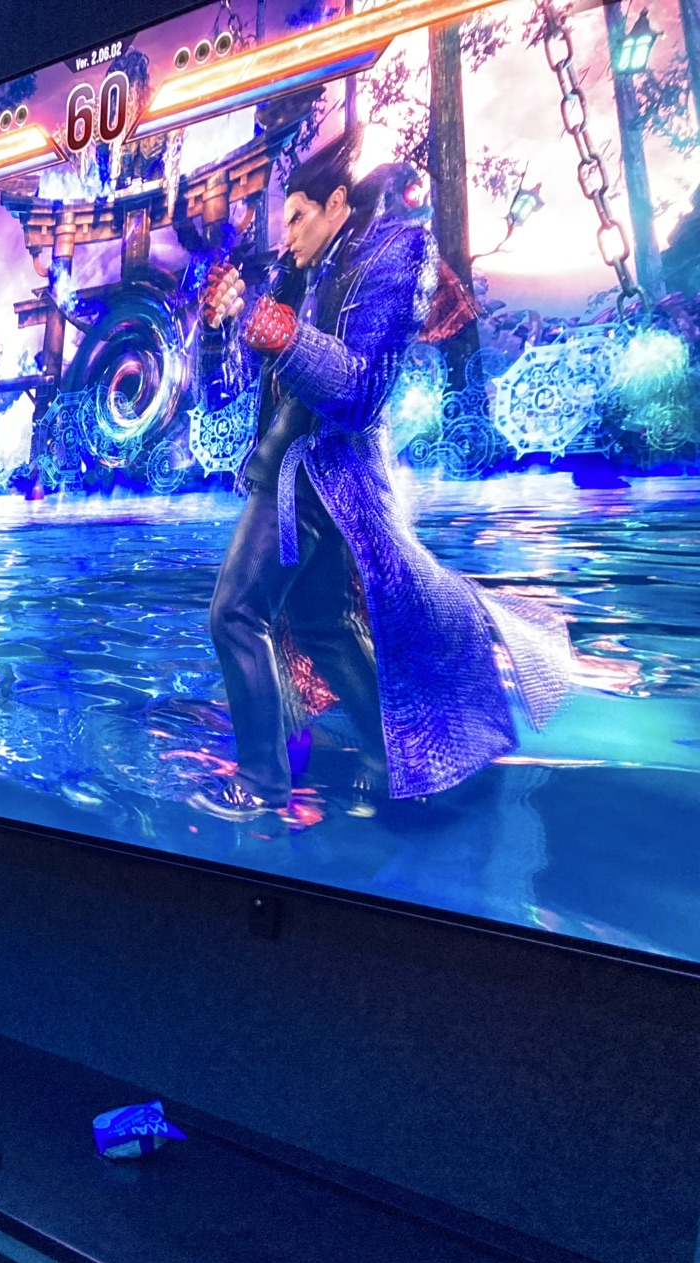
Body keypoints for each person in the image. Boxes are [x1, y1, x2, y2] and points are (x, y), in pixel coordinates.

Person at [191, 127, 571, 820]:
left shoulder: (395, 253)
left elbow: (359, 390)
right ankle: (393, 758)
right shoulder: (297, 275)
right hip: (289, 472)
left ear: (336, 203)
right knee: (324, 625)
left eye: (298, 218)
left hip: (324, 477)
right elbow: (230, 390)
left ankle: (262, 784)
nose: (287, 236)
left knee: (236, 613)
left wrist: (270, 325)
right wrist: (221, 326)